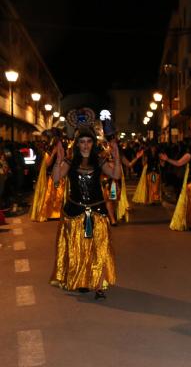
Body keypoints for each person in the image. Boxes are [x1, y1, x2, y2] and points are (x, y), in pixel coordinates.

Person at [49, 110, 120, 300]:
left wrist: (117, 155)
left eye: (89, 141)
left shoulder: (99, 160)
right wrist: (58, 159)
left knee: (99, 248)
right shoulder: (70, 161)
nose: (86, 145)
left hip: (97, 210)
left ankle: (98, 285)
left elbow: (116, 175)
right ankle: (81, 279)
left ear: (93, 143)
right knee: (78, 249)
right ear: (77, 143)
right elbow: (56, 178)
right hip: (75, 211)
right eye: (82, 141)